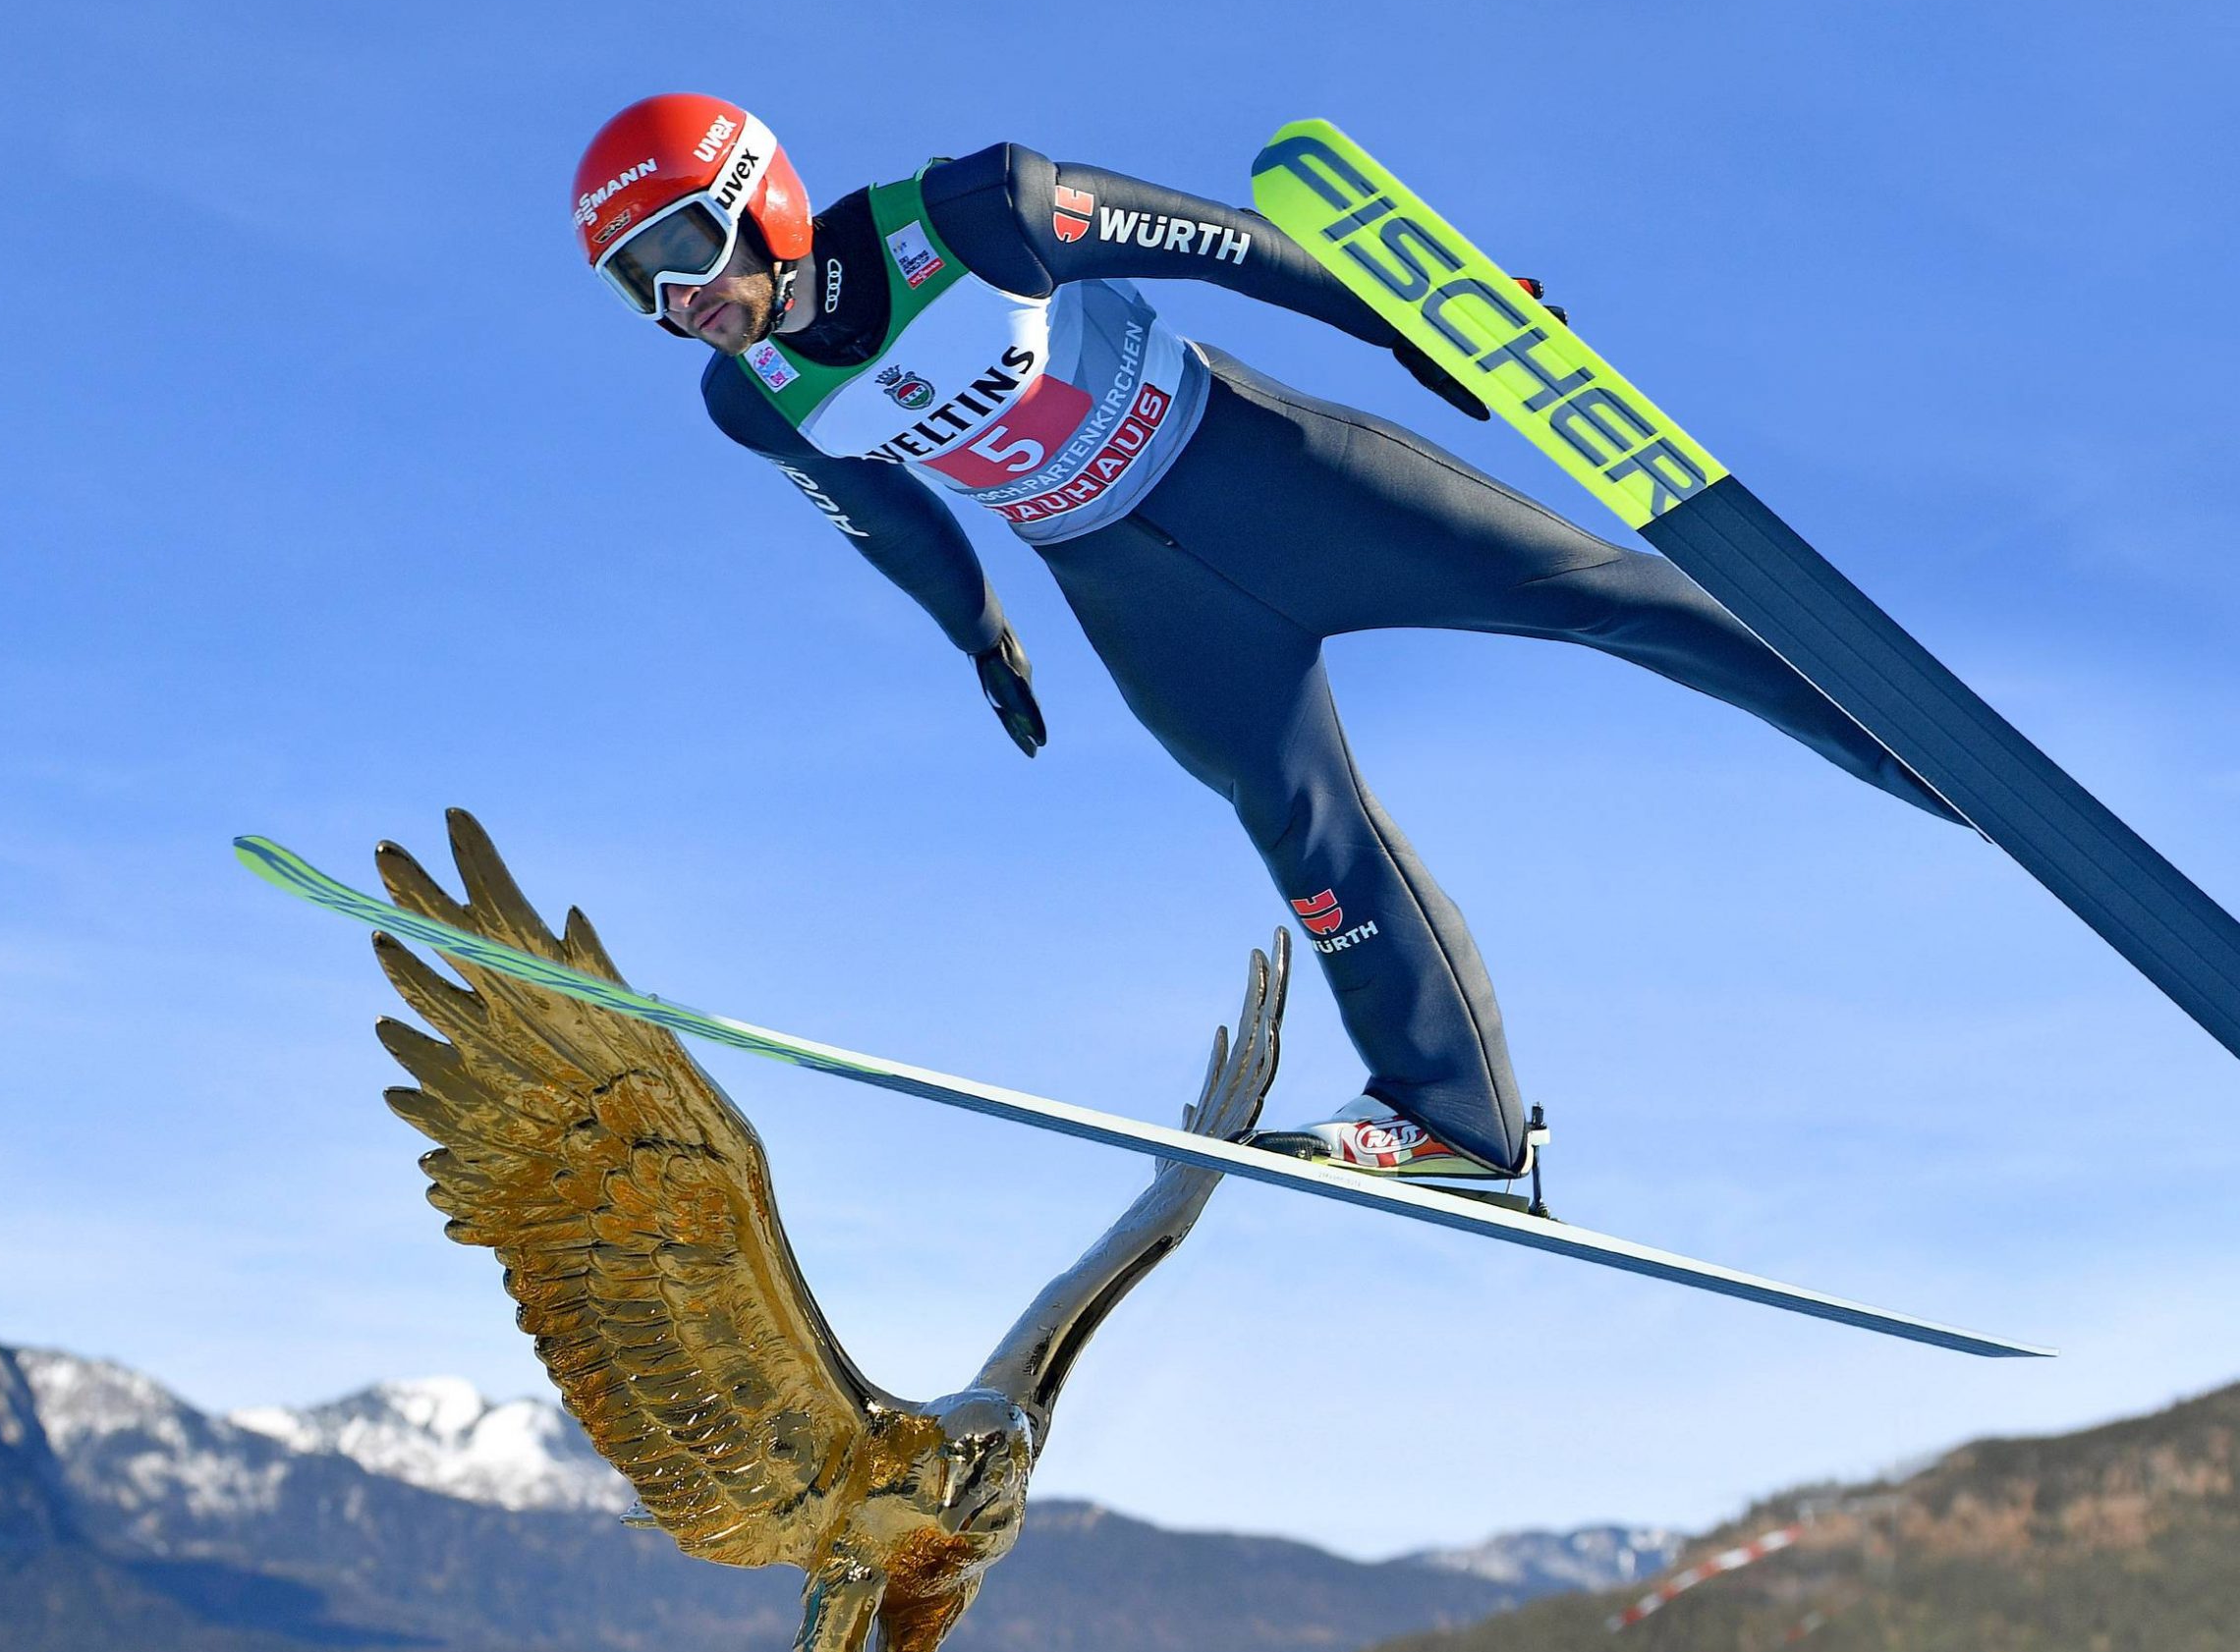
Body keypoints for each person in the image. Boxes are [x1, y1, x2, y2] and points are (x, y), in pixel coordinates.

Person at [570, 94, 1955, 1184]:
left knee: (1588, 591)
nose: (676, 299)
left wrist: (1420, 325)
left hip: (1267, 472)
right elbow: (887, 524)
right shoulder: (754, 402)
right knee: (1300, 822)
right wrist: (978, 630)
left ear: (760, 200)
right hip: (1128, 590)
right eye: (638, 286)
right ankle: (1456, 1124)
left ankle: (1922, 755)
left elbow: (1232, 244)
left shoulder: (979, 213)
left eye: (680, 251)